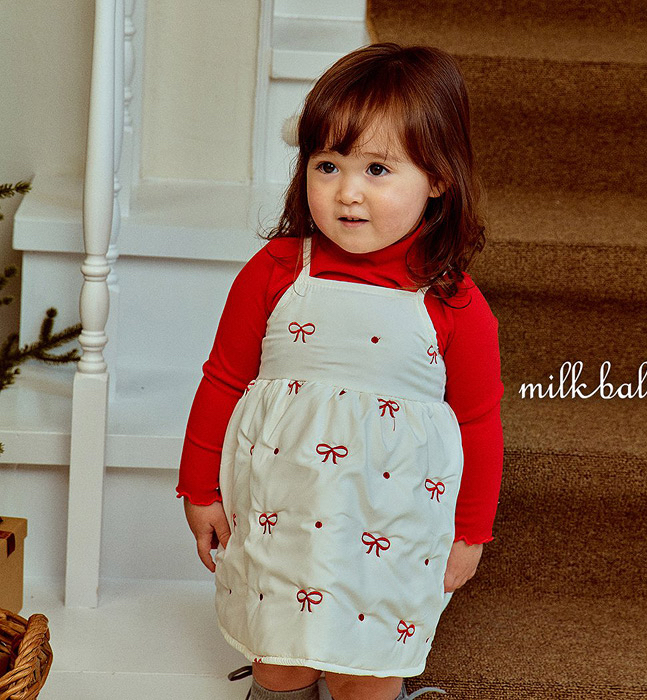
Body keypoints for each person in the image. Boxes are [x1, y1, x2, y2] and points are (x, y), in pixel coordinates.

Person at [177, 43, 504, 700]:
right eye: (327, 165)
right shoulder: (275, 271)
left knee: (370, 664)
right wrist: (199, 488)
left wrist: (470, 531)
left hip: (390, 518)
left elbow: (478, 422)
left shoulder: (453, 301)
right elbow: (223, 380)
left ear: (438, 180)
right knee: (281, 655)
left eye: (377, 169)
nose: (347, 192)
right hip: (284, 510)